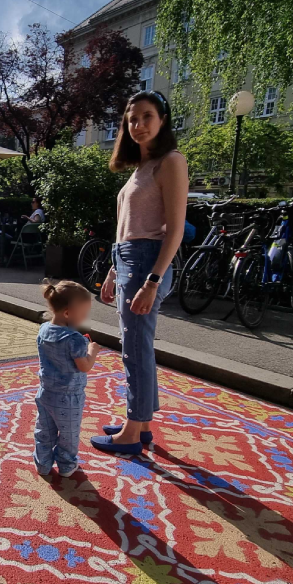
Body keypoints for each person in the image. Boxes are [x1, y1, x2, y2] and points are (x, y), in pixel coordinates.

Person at [90, 90, 188, 457]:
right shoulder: (140, 168)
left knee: (135, 350)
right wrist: (115, 271)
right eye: (132, 119)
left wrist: (152, 280)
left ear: (162, 120)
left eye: (147, 116)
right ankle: (142, 422)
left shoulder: (171, 161)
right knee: (138, 346)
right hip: (130, 259)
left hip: (148, 261)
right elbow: (126, 227)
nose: (138, 125)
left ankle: (131, 432)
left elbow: (174, 230)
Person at [35, 280, 102, 477]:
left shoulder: (44, 329)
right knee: (68, 434)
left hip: (46, 392)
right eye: (83, 315)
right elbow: (85, 366)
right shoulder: (74, 339)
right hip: (68, 397)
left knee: (44, 430)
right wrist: (93, 350)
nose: (84, 319)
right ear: (67, 313)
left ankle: (43, 464)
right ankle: (66, 465)